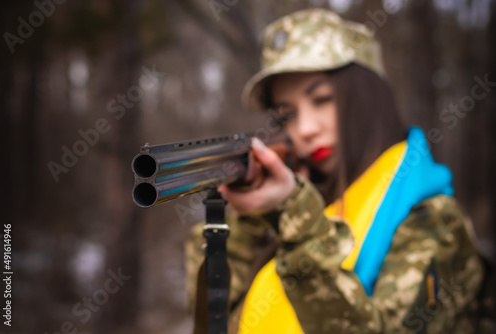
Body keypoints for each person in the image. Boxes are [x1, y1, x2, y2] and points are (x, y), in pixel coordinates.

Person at [185, 8, 493, 334]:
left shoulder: (435, 222)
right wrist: (247, 220)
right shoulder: (297, 213)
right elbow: (216, 322)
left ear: (368, 95)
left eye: (321, 99)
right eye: (287, 115)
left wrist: (298, 218)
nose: (304, 129)